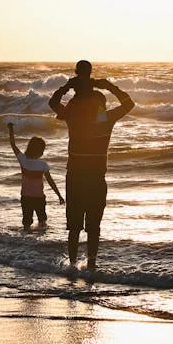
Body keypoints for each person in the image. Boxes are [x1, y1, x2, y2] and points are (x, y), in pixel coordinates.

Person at [49, 61, 134, 270]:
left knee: (74, 227)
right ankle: (92, 265)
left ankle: (71, 265)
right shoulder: (106, 118)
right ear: (101, 104)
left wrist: (67, 87)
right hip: (96, 178)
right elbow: (129, 104)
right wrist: (110, 86)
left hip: (75, 177)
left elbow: (53, 102)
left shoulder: (73, 115)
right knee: (94, 227)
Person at [7, 122, 65, 229]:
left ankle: (26, 241)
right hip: (39, 198)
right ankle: (40, 242)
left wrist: (11, 130)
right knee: (42, 222)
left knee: (27, 223)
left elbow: (13, 144)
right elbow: (51, 182)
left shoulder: (23, 160)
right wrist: (59, 195)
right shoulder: (43, 165)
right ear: (41, 151)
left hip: (26, 197)